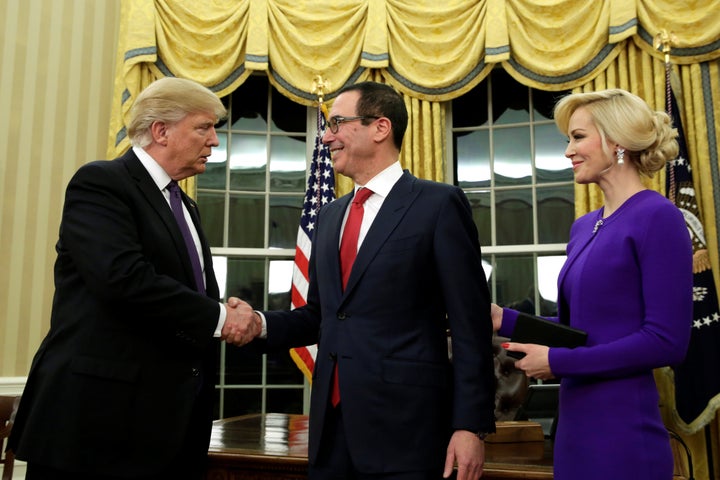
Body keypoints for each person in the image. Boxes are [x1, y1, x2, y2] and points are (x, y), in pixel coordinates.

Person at [231, 81, 496, 480]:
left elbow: (470, 324)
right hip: (330, 431)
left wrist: (469, 424)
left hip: (407, 431)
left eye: (337, 123)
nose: (326, 135)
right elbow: (321, 315)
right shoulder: (330, 217)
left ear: (380, 127)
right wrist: (259, 324)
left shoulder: (438, 205)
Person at [7, 77, 259, 480]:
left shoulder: (185, 205)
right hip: (95, 426)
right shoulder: (103, 183)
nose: (214, 141)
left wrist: (228, 312)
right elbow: (122, 279)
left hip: (166, 427)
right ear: (160, 131)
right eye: (203, 127)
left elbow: (185, 292)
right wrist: (220, 318)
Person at [492, 88, 692, 480]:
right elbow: (580, 329)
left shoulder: (658, 217)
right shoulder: (584, 226)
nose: (568, 150)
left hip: (623, 434)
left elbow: (667, 340)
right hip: (573, 429)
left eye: (578, 137)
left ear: (617, 141)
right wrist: (504, 319)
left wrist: (557, 362)